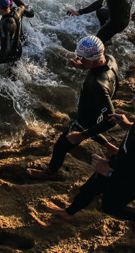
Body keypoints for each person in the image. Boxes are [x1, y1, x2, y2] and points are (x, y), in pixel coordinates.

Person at [44, 80, 135, 232]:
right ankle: (68, 213)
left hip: (126, 177)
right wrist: (129, 126)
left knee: (110, 206)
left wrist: (108, 172)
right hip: (120, 162)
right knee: (88, 188)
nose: (132, 100)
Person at [27, 36, 119, 179]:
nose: (80, 60)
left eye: (83, 58)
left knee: (60, 147)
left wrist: (81, 136)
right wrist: (82, 66)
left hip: (88, 115)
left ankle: (49, 173)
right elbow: (95, 69)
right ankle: (111, 148)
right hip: (96, 107)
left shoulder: (97, 85)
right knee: (91, 125)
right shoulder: (109, 59)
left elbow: (111, 119)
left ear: (95, 57)